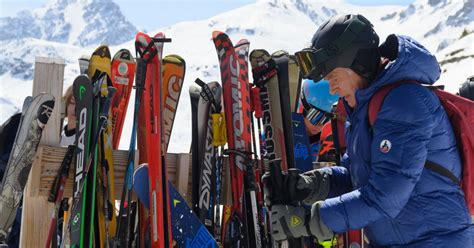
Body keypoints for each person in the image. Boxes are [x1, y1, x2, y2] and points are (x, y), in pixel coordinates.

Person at [266, 14, 473, 247]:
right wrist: (312, 184)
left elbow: (386, 196)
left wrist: (309, 220)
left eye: (334, 77)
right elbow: (357, 175)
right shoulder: (366, 108)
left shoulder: (405, 102)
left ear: (357, 64)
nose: (333, 89)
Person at [299, 79, 339, 162]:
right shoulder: (281, 134)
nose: (320, 126)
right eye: (317, 116)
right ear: (303, 111)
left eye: (325, 119)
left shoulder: (332, 140)